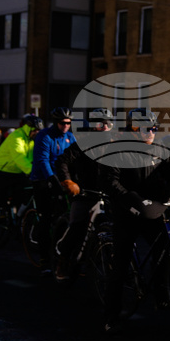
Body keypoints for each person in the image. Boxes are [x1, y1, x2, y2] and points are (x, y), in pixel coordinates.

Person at [101, 109, 170, 333]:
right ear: (133, 129)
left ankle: (161, 295)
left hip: (151, 208)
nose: (151, 132)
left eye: (154, 129)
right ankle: (111, 315)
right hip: (127, 211)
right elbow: (111, 182)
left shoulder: (159, 149)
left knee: (163, 249)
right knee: (121, 263)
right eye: (146, 129)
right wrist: (130, 199)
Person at [53, 109, 116, 281]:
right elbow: (62, 161)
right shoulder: (83, 144)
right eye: (100, 123)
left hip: (108, 195)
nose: (104, 127)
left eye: (108, 123)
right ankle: (62, 261)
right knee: (77, 226)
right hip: (85, 194)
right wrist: (68, 182)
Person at [30, 107, 78, 272]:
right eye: (63, 123)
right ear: (56, 122)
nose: (66, 126)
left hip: (62, 177)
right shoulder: (45, 136)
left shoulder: (70, 137)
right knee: (46, 218)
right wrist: (51, 178)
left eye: (69, 123)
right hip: (43, 178)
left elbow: (74, 159)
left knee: (66, 214)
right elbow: (43, 160)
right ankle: (44, 259)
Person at [0, 115, 41, 226]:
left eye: (38, 130)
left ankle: (18, 221)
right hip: (2, 170)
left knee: (23, 195)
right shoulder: (16, 137)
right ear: (28, 128)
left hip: (18, 170)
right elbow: (19, 157)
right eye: (34, 130)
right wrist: (32, 171)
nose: (36, 133)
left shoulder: (32, 139)